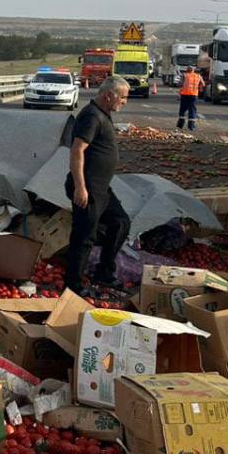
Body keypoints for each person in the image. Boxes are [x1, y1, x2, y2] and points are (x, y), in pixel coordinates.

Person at [65, 75, 131, 292]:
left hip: (102, 188)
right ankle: (73, 284)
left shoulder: (103, 114)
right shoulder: (92, 116)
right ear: (108, 95)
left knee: (120, 222)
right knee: (84, 236)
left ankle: (104, 271)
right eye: (122, 97)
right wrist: (80, 187)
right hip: (88, 188)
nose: (124, 101)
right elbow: (77, 150)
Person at [177, 64, 203, 130]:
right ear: (193, 70)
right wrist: (199, 89)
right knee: (192, 110)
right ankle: (191, 126)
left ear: (187, 70)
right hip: (194, 95)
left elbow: (180, 84)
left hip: (185, 95)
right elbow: (203, 84)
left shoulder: (185, 75)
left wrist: (180, 89)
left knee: (183, 109)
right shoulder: (198, 76)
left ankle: (180, 125)